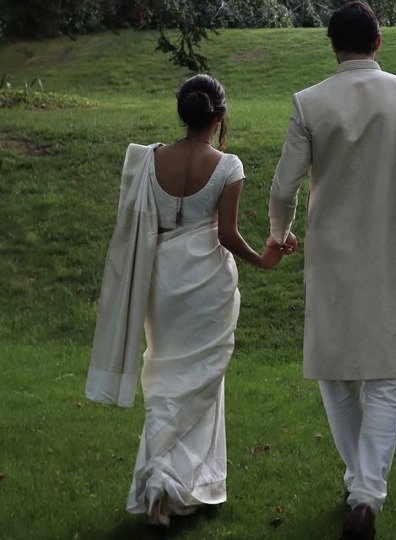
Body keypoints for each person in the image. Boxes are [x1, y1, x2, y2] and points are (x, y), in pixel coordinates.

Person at [267, 2, 396, 539]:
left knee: (337, 375)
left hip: (330, 257)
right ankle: (365, 495)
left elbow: (283, 187)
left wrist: (279, 233)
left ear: (332, 45)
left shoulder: (309, 102)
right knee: (385, 379)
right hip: (393, 254)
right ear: (379, 41)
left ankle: (360, 489)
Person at [86, 74, 293, 527]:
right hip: (207, 284)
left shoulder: (149, 159)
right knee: (201, 381)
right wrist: (264, 260)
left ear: (183, 113)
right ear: (220, 117)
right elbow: (227, 234)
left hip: (161, 279)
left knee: (165, 376)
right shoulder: (228, 166)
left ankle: (162, 481)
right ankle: (176, 483)